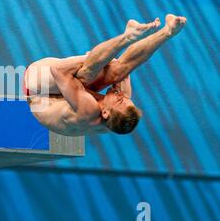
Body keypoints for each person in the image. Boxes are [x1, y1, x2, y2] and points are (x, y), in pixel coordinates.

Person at [23, 14, 187, 136]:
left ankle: (127, 36)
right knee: (117, 71)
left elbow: (58, 71)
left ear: (106, 113)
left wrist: (92, 57)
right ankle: (168, 32)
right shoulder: (116, 111)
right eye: (126, 100)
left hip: (38, 90)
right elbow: (126, 63)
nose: (121, 96)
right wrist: (166, 34)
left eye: (119, 101)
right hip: (63, 89)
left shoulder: (89, 113)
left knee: (88, 73)